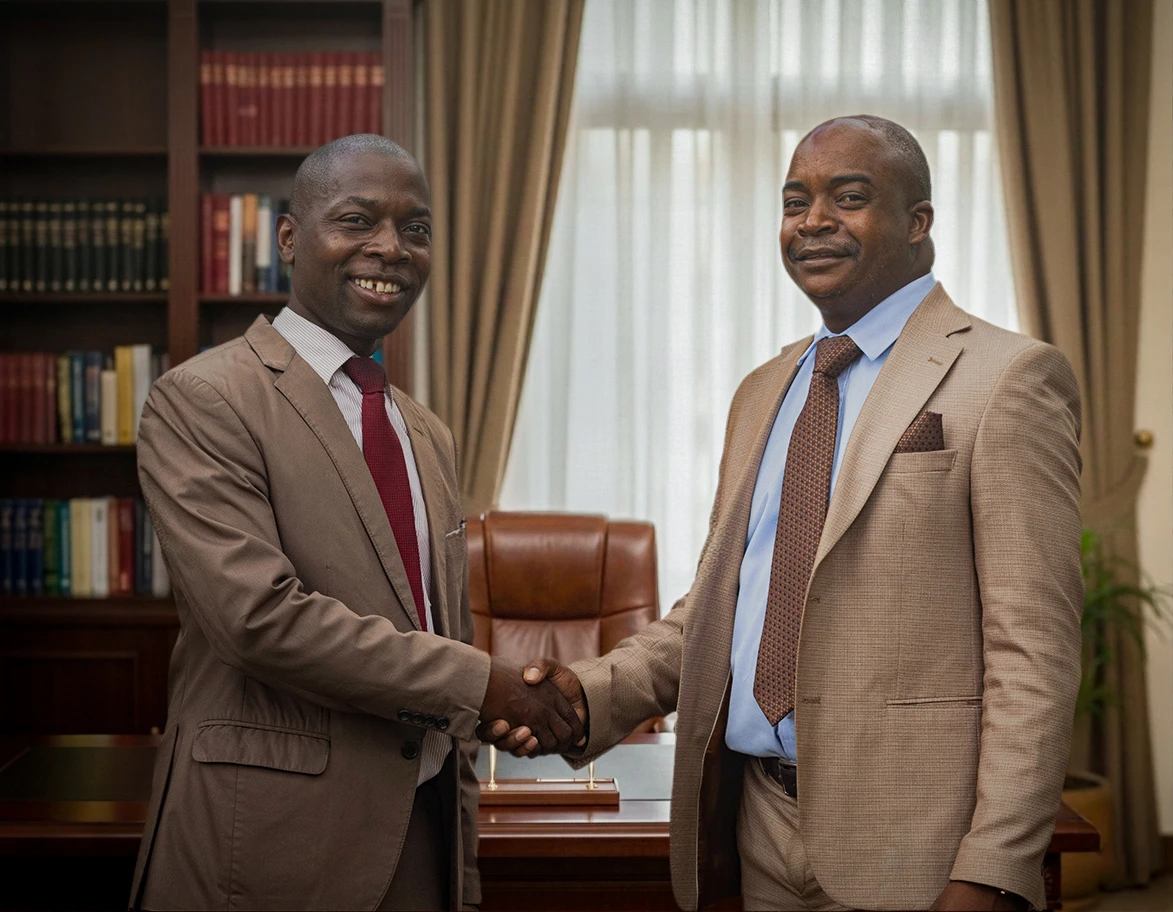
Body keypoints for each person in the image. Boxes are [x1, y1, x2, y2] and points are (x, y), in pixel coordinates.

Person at [483, 116, 1083, 912]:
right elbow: (721, 611)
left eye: (849, 197)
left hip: (921, 844)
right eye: (793, 201)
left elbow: (1031, 654)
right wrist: (588, 694)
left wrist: (991, 867)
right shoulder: (764, 390)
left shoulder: (1007, 377)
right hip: (754, 828)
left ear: (918, 223)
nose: (812, 221)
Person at [129, 134, 583, 911]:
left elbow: (443, 633)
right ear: (288, 238)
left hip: (421, 834)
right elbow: (258, 618)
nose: (389, 248)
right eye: (357, 220)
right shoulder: (204, 399)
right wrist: (485, 687)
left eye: (416, 229)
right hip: (270, 847)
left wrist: (460, 872)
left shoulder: (423, 430)